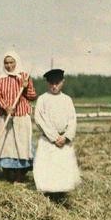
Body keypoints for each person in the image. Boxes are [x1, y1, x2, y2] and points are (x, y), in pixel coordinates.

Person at [0, 51, 37, 183]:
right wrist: (6, 107)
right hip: (3, 116)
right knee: (5, 145)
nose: (9, 65)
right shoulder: (0, 78)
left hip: (20, 116)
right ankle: (7, 173)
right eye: (6, 63)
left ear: (16, 62)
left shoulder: (24, 76)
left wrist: (26, 87)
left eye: (11, 62)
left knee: (20, 144)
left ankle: (20, 174)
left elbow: (32, 96)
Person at [33, 69, 81, 203]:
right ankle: (48, 195)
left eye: (57, 83)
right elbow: (39, 120)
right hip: (49, 140)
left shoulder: (67, 100)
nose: (54, 86)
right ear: (47, 83)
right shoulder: (42, 99)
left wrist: (65, 137)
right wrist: (54, 137)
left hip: (63, 140)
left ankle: (61, 195)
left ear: (62, 82)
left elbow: (72, 120)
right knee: (48, 167)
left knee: (62, 167)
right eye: (51, 83)